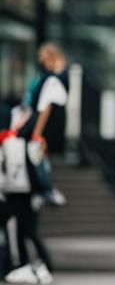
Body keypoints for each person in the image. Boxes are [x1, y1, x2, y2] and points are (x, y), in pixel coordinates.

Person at [1, 106, 55, 284]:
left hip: (22, 192)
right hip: (15, 191)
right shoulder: (11, 139)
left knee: (26, 230)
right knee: (22, 231)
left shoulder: (27, 141)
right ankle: (25, 264)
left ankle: (32, 265)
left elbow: (38, 169)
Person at [23, 43, 69, 206]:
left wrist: (37, 132)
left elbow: (45, 108)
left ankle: (45, 189)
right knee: (40, 157)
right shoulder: (51, 78)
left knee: (39, 157)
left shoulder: (52, 80)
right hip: (46, 126)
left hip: (45, 128)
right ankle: (43, 190)